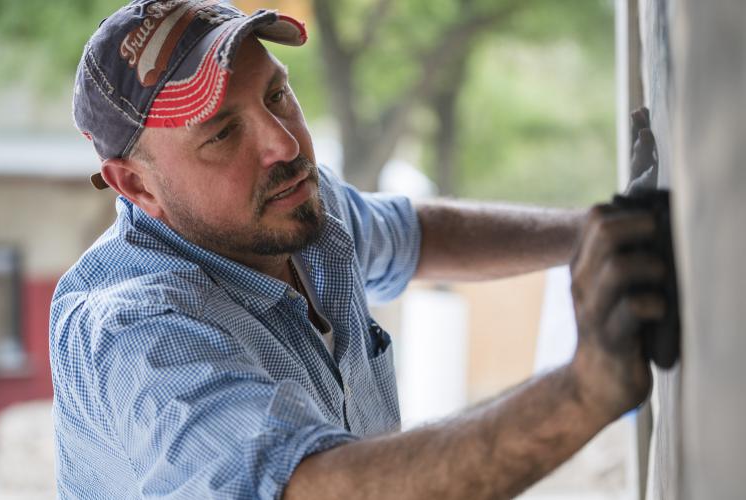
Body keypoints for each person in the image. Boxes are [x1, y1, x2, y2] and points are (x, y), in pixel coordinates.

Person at [50, 1, 664, 498]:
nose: (284, 144)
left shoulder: (288, 211)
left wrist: (599, 231)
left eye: (275, 96)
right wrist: (583, 393)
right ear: (136, 184)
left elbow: (414, 234)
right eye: (223, 133)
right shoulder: (134, 333)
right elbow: (306, 489)